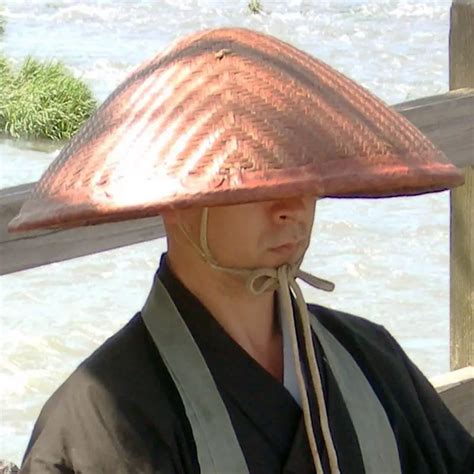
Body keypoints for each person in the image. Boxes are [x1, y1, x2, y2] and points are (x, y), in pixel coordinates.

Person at [10, 28, 473, 473]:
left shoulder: (371, 361)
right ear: (177, 204)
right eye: (256, 180)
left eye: (303, 173)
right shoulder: (101, 417)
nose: (292, 205)